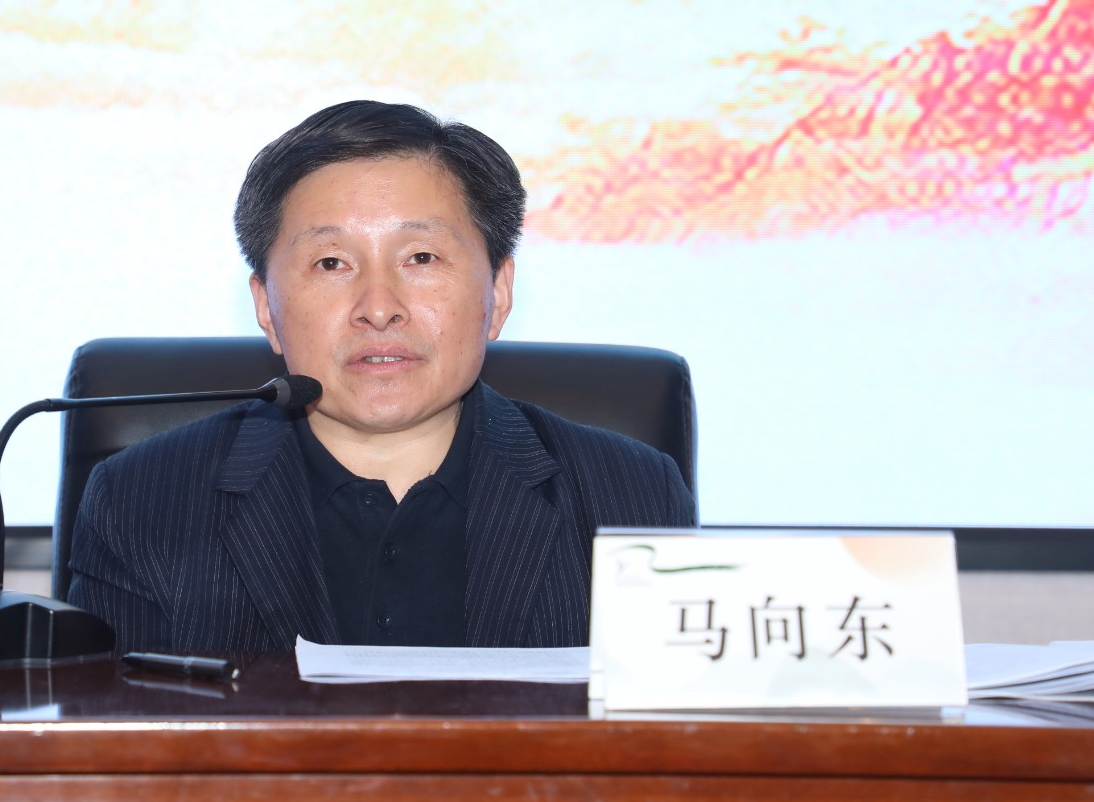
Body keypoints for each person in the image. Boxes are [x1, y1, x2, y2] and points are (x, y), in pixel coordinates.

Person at [67, 100, 695, 652]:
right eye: (331, 262)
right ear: (266, 307)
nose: (378, 307)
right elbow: (114, 744)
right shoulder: (143, 503)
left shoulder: (630, 499)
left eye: (421, 257)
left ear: (499, 292)